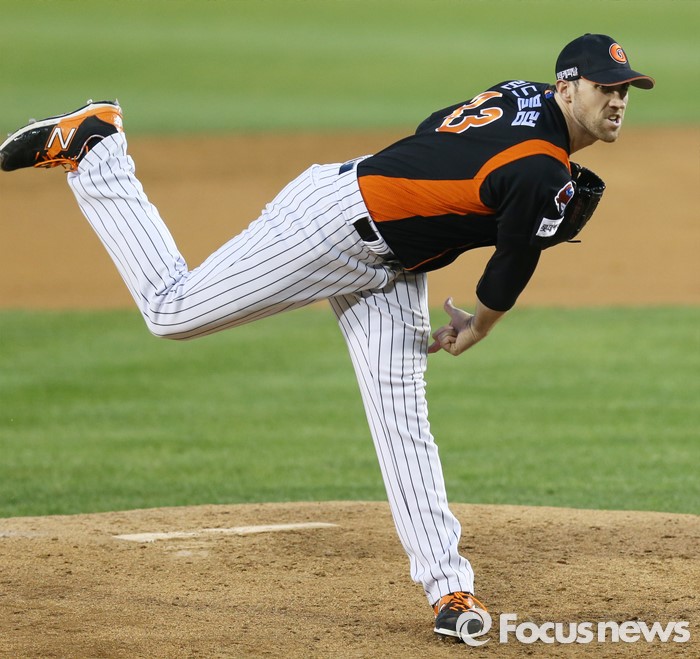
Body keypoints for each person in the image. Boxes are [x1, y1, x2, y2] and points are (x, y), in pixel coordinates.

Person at [0, 33, 653, 642]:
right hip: (331, 227)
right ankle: (99, 152)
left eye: (624, 90)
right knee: (171, 311)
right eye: (605, 88)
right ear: (567, 88)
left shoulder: (519, 95)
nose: (618, 101)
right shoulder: (540, 169)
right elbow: (511, 264)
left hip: (395, 264)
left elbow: (435, 127)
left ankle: (450, 591)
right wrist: (478, 324)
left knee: (404, 420)